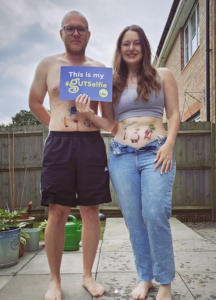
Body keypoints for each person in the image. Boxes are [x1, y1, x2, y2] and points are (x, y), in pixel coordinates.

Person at [29, 11, 114, 300]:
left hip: (91, 143)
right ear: (62, 33)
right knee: (57, 211)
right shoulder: (48, 64)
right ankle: (54, 280)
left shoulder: (99, 69)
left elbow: (108, 117)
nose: (76, 33)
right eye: (70, 28)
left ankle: (87, 276)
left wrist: (91, 114)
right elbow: (34, 101)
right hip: (59, 144)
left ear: (89, 34)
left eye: (82, 29)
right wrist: (56, 122)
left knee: (91, 211)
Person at [108, 25, 180, 300]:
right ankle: (145, 278)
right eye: (126, 43)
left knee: (154, 213)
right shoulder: (113, 82)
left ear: (144, 47)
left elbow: (174, 115)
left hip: (156, 151)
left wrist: (169, 145)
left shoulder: (163, 75)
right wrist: (89, 111)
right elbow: (108, 122)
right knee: (134, 220)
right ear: (120, 48)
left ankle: (165, 282)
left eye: (136, 43)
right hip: (121, 154)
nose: (131, 48)